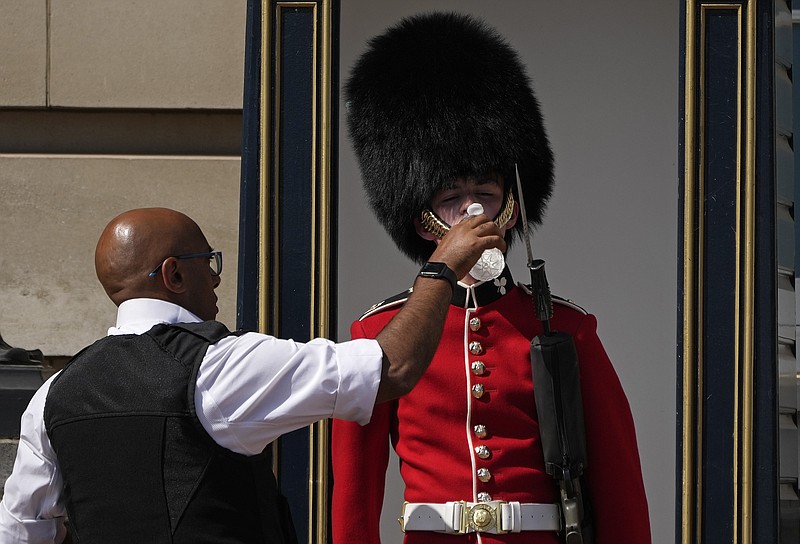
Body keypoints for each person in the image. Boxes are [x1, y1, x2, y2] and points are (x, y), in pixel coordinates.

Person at [0, 206, 505, 544]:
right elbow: (390, 368)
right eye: (208, 262)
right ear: (175, 274)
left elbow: (22, 531)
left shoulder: (52, 395)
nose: (217, 276)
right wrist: (440, 268)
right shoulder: (219, 367)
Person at [331, 12, 651, 544]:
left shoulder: (568, 329)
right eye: (451, 198)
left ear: (512, 207)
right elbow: (355, 497)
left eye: (487, 190)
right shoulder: (378, 335)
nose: (473, 209)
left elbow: (620, 487)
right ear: (423, 221)